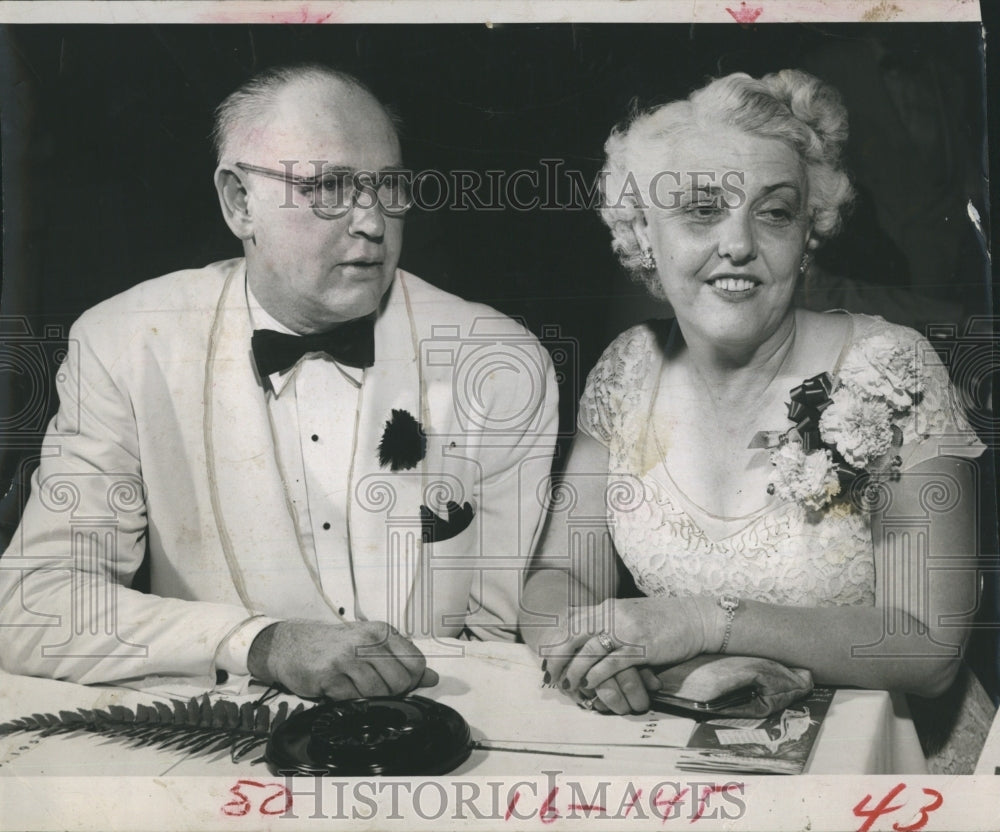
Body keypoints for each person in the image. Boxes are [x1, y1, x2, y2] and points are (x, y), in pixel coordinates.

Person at [0, 64, 558, 701]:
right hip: (218, 735)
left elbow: (496, 642)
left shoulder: (499, 360)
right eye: (329, 188)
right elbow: (31, 604)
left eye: (390, 186)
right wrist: (261, 643)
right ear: (240, 202)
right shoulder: (124, 343)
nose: (373, 222)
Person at [520, 69, 993, 773]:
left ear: (809, 232)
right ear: (643, 232)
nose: (738, 244)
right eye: (700, 210)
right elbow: (559, 574)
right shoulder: (626, 369)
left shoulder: (891, 368)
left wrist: (702, 621)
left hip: (883, 765)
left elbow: (930, 648)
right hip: (679, 752)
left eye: (774, 213)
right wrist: (588, 656)